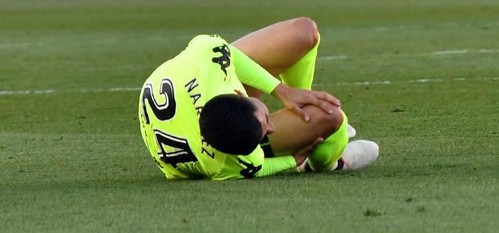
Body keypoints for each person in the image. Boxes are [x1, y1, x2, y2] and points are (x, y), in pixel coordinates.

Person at [138, 20, 377, 179]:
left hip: (191, 94)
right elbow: (261, 166)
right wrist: (294, 160)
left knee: (303, 32)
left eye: (266, 120)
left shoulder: (207, 58)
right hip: (189, 118)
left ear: (238, 93)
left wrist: (282, 90)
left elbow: (230, 56)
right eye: (266, 131)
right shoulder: (229, 163)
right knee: (332, 116)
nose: (271, 126)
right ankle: (328, 164)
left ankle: (304, 115)